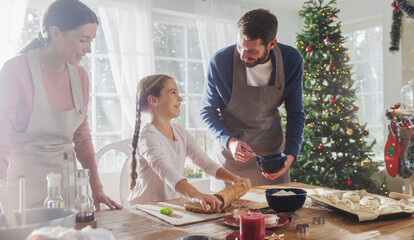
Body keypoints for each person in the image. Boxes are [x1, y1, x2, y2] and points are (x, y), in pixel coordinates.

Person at [0, 0, 121, 210]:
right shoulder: (15, 70)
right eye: (83, 40)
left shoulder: (81, 76)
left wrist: (96, 187)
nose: (89, 49)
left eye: (91, 41)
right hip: (23, 192)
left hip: (68, 188)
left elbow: (82, 137)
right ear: (55, 33)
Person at [200, 9, 305, 191]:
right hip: (231, 156)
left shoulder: (290, 60)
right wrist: (229, 141)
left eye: (250, 51)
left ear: (271, 43)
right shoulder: (221, 61)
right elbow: (207, 111)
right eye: (240, 46)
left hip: (271, 158)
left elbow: (296, 114)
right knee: (227, 216)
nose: (242, 55)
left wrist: (291, 153)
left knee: (275, 215)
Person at [128, 74, 251, 212]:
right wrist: (195, 194)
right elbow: (164, 168)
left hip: (171, 208)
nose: (180, 98)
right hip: (145, 210)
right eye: (173, 92)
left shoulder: (181, 133)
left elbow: (206, 163)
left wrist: (234, 178)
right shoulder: (148, 136)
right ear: (153, 100)